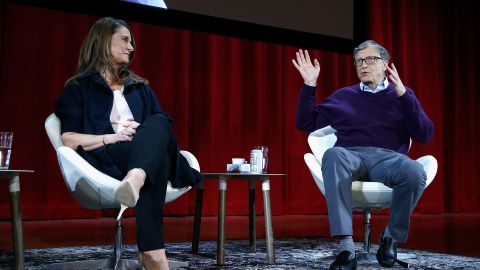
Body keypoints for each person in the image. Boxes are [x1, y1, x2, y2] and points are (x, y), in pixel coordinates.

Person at [54, 17, 203, 270]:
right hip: (108, 155)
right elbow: (68, 138)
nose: (131, 47)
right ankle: (152, 253)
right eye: (125, 40)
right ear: (102, 41)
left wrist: (141, 131)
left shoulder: (140, 86)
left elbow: (162, 127)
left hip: (142, 152)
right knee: (158, 157)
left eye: (132, 42)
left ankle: (135, 178)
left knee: (159, 122)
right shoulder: (79, 87)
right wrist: (109, 137)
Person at [292, 40, 434, 269]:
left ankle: (390, 238)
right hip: (351, 155)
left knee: (415, 170)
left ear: (385, 63)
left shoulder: (400, 95)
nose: (363, 65)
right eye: (358, 61)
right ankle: (346, 249)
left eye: (369, 59)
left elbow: (425, 134)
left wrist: (405, 96)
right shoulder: (343, 96)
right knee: (333, 155)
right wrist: (310, 85)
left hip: (388, 158)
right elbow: (305, 122)